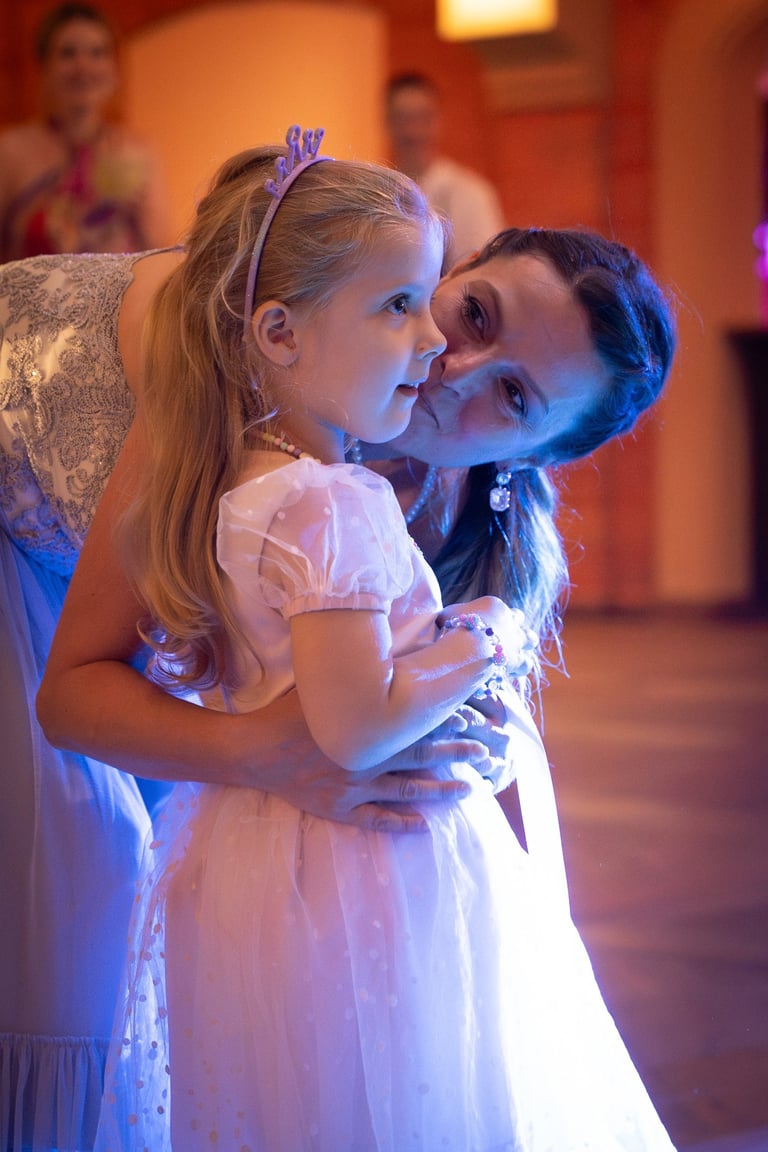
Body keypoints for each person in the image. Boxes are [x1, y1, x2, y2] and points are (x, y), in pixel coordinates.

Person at [3, 166, 674, 1152]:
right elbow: (76, 693)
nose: (456, 371)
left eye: (513, 395)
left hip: (164, 619)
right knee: (81, 948)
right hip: (23, 541)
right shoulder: (248, 357)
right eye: (473, 313)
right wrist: (265, 752)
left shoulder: (445, 492)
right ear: (453, 264)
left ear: (531, 456)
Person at [0, 3, 171, 263]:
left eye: (97, 53)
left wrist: (134, 209)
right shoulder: (11, 151)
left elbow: (161, 255)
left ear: (114, 69)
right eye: (67, 53)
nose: (83, 66)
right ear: (44, 67)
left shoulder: (137, 151)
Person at [385, 71, 505, 266]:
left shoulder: (471, 193)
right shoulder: (377, 193)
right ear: (387, 122)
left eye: (422, 118)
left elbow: (489, 267)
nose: (413, 131)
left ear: (438, 121)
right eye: (402, 119)